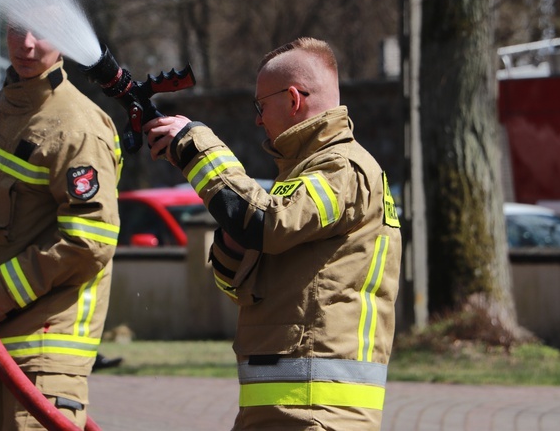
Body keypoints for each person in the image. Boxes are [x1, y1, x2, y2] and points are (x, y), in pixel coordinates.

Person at [144, 37, 402, 430]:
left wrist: (197, 147)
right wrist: (235, 235)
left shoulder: (342, 168)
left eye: (261, 105)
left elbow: (271, 224)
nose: (257, 120)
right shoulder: (301, 177)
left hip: (317, 412)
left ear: (294, 99)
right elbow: (240, 284)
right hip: (281, 411)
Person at [0, 23, 122, 431]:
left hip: (45, 350)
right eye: (18, 30)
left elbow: (89, 241)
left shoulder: (76, 127)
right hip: (4, 346)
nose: (28, 44)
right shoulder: (18, 111)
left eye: (44, 31)